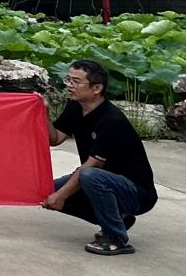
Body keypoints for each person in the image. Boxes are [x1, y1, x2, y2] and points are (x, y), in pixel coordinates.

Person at [42, 59, 157, 256]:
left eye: (76, 81)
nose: (69, 85)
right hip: (100, 180)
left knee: (86, 176)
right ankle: (118, 219)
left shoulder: (112, 120)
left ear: (96, 88)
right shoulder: (75, 107)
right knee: (46, 191)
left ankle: (116, 238)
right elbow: (55, 139)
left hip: (136, 192)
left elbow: (93, 165)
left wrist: (61, 196)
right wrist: (43, 114)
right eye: (68, 79)